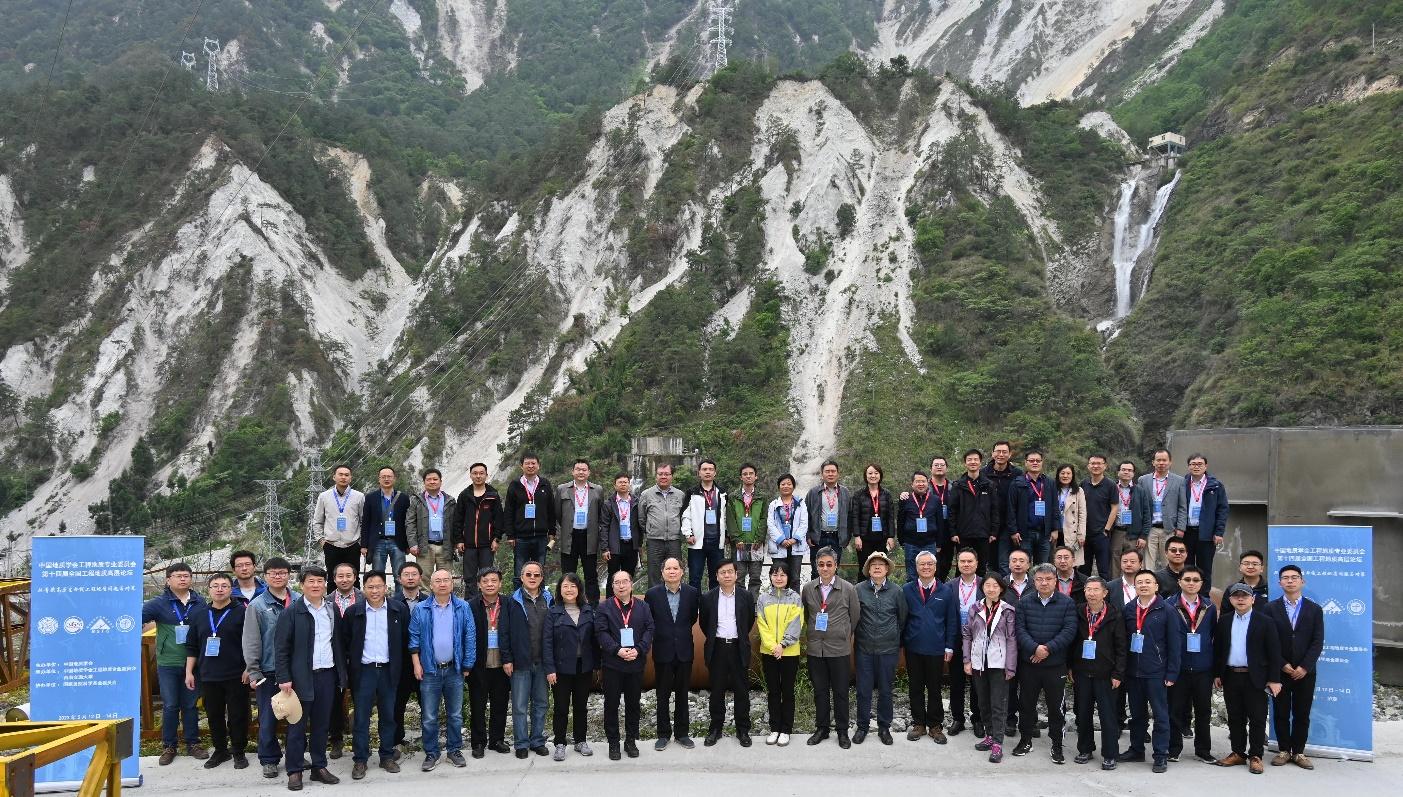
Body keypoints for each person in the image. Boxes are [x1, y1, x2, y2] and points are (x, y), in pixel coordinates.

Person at [274, 566, 347, 790]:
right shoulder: (292, 612)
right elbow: (281, 648)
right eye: (311, 581)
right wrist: (284, 677)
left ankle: (319, 766)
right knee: (296, 726)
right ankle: (295, 770)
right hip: (300, 678)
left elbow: (338, 643)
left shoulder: (331, 609)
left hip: (327, 675)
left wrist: (341, 675)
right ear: (302, 585)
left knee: (321, 725)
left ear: (325, 584)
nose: (316, 585)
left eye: (319, 581)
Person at [340, 570, 410, 780]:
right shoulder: (353, 612)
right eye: (370, 587)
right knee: (361, 718)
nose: (375, 591)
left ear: (386, 588)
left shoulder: (398, 609)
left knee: (388, 716)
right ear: (363, 589)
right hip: (364, 671)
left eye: (379, 586)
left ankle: (386, 755)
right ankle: (360, 759)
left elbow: (406, 641)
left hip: (389, 670)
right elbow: (345, 643)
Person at [409, 568, 476, 771]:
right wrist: (416, 663)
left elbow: (470, 636)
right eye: (438, 580)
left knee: (455, 714)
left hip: (454, 670)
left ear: (452, 584)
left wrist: (467, 664)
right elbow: (413, 638)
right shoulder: (421, 608)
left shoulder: (462, 607)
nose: (442, 583)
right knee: (429, 716)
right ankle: (432, 752)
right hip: (429, 670)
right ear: (431, 585)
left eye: (446, 580)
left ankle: (454, 750)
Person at [142, 562, 208, 765]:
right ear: (168, 580)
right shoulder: (158, 603)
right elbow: (135, 619)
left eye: (186, 576)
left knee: (190, 705)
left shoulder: (200, 602)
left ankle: (193, 743)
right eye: (178, 576)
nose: (183, 579)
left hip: (193, 663)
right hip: (168, 663)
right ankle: (169, 746)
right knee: (170, 705)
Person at [1214, 582, 1283, 774]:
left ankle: (1255, 755)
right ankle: (1238, 752)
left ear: (1253, 599)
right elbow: (1219, 649)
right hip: (1231, 676)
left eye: (1244, 596)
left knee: (1257, 718)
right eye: (1236, 596)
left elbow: (1274, 652)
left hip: (1256, 677)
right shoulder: (1224, 621)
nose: (1240, 599)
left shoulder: (1265, 621)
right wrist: (1217, 673)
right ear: (1230, 600)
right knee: (1235, 717)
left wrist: (1274, 679)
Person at [1012, 563, 1078, 764]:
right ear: (1034, 581)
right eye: (1040, 579)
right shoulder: (1024, 602)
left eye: (1048, 579)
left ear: (1055, 580)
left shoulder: (1067, 603)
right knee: (1026, 705)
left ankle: (1057, 744)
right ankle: (1025, 740)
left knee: (1056, 708)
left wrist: (1047, 649)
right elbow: (1019, 629)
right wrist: (1034, 649)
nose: (1044, 583)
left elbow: (1069, 630)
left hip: (1055, 665)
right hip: (1029, 664)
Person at [1118, 570, 1181, 773]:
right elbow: (1122, 642)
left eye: (1148, 582)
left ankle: (1160, 755)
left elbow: (1175, 644)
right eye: (1140, 582)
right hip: (1133, 672)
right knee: (1137, 715)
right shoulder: (1128, 609)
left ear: (1156, 586)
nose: (1143, 585)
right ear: (1134, 586)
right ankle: (1136, 750)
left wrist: (1172, 673)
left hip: (1157, 672)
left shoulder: (1167, 610)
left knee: (1161, 716)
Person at [242, 556, 299, 778]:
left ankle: (295, 754)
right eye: (273, 573)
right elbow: (251, 641)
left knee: (296, 715)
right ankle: (269, 758)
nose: (278, 576)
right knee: (267, 717)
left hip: (296, 669)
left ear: (289, 575)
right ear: (265, 576)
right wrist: (253, 671)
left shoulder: (298, 600)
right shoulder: (257, 605)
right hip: (268, 669)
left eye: (282, 572)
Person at [184, 573, 248, 769]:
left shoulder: (242, 612)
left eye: (224, 586)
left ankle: (238, 751)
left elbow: (251, 643)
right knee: (214, 715)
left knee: (238, 715)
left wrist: (249, 668)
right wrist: (189, 672)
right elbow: (192, 646)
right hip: (209, 674)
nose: (220, 589)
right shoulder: (199, 614)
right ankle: (221, 750)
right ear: (209, 589)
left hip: (237, 674)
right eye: (215, 585)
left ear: (231, 589)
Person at [1266, 564, 1325, 770]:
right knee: (1280, 712)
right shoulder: (1270, 608)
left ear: (1302, 581)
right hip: (1280, 671)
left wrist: (1305, 667)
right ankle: (1283, 750)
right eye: (1285, 578)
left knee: (1302, 713)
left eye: (1294, 577)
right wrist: (1282, 664)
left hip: (1305, 673)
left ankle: (1299, 752)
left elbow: (1317, 641)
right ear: (1279, 582)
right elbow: (1268, 641)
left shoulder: (1314, 609)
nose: (1290, 581)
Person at [801, 546, 860, 747]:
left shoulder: (848, 589)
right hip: (816, 649)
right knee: (820, 691)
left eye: (829, 564)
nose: (825, 568)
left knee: (841, 692)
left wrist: (842, 634)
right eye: (821, 564)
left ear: (836, 566)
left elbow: (855, 617)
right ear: (816, 566)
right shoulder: (808, 588)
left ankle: (842, 731)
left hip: (839, 649)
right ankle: (822, 729)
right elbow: (806, 615)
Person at [596, 570, 654, 759]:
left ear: (631, 584)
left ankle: (630, 740)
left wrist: (639, 649)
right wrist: (617, 650)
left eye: (625, 582)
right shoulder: (604, 607)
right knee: (611, 704)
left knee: (633, 704)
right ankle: (613, 743)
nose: (621, 586)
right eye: (617, 582)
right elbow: (601, 632)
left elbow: (649, 629)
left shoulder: (643, 606)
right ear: (612, 586)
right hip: (613, 664)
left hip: (635, 664)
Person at [643, 557, 699, 750]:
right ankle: (663, 734)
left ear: (682, 571)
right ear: (662, 572)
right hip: (662, 650)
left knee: (683, 694)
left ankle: (682, 734)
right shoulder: (652, 594)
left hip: (684, 650)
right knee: (662, 694)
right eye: (668, 568)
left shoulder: (692, 593)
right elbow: (650, 620)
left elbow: (692, 618)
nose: (672, 571)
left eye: (676, 568)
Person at [901, 550, 957, 744]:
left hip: (936, 647)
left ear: (935, 567)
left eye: (929, 564)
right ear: (916, 567)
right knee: (915, 687)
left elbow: (952, 621)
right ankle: (919, 723)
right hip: (913, 647)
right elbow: (902, 618)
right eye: (922, 564)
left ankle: (935, 725)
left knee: (934, 688)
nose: (926, 567)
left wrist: (949, 646)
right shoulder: (907, 590)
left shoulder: (946, 591)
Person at [700, 559, 756, 746]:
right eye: (722, 572)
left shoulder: (746, 596)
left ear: (736, 574)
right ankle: (715, 729)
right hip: (717, 648)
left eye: (730, 572)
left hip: (738, 647)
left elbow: (748, 622)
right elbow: (705, 624)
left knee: (742, 690)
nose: (727, 575)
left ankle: (743, 730)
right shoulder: (708, 597)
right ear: (717, 576)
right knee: (717, 690)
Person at [543, 573, 599, 761]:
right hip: (560, 669)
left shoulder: (588, 611)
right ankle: (560, 743)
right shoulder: (553, 612)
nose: (569, 590)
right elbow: (547, 643)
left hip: (584, 667)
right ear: (559, 589)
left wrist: (597, 666)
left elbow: (594, 640)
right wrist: (550, 669)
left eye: (573, 586)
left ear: (579, 589)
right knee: (561, 707)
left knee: (581, 706)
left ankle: (580, 740)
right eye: (565, 586)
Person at [853, 551, 907, 745]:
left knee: (885, 690)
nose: (877, 567)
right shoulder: (858, 589)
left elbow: (902, 618)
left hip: (888, 649)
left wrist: (893, 638)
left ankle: (884, 727)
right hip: (864, 648)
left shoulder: (896, 591)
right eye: (873, 564)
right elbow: (854, 616)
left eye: (881, 564)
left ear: (887, 569)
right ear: (868, 569)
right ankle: (862, 727)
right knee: (863, 690)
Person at [963, 573, 1018, 763]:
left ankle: (998, 743)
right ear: (983, 588)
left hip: (998, 664)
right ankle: (989, 735)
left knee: (998, 704)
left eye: (995, 585)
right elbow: (967, 635)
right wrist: (967, 660)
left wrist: (1010, 666)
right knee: (983, 703)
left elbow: (1012, 639)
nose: (991, 589)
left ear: (1001, 589)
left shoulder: (1007, 610)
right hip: (979, 662)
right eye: (988, 585)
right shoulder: (974, 608)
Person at [1071, 576, 1124, 770]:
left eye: (1096, 589)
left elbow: (1121, 647)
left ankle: (1110, 754)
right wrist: (1070, 666)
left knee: (1108, 716)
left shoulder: (1115, 614)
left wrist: (1118, 673)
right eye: (1088, 589)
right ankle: (1085, 749)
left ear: (1105, 592)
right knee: (1083, 714)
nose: (1091, 593)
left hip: (1106, 674)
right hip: (1082, 672)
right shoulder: (1078, 612)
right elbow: (1072, 642)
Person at [1168, 565, 1218, 764]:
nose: (1191, 583)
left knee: (1203, 711)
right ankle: (1173, 748)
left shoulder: (1209, 606)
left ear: (1201, 583)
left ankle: (1203, 750)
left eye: (1195, 580)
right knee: (1174, 710)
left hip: (1203, 668)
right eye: (1187, 579)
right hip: (1178, 667)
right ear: (1179, 582)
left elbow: (1213, 634)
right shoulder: (1169, 605)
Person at [504, 560, 552, 758]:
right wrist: (507, 658)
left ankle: (537, 741)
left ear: (541, 578)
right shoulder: (512, 601)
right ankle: (521, 743)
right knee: (519, 706)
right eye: (528, 574)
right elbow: (504, 632)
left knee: (541, 704)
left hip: (543, 663)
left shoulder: (549, 599)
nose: (532, 578)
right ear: (521, 577)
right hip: (520, 663)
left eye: (536, 575)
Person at [466, 567, 512, 758]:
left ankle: (497, 740)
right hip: (479, 665)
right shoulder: (470, 606)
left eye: (494, 580)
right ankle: (478, 742)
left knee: (500, 704)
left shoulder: (509, 604)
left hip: (502, 664)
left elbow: (514, 633)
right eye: (485, 581)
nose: (490, 584)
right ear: (479, 584)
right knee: (477, 706)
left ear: (500, 583)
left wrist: (510, 659)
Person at [756, 564, 803, 746]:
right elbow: (762, 624)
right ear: (770, 576)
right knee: (773, 691)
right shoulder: (763, 598)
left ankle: (786, 730)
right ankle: (774, 728)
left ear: (788, 577)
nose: (779, 578)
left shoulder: (795, 598)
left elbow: (796, 622)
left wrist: (783, 644)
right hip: (769, 652)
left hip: (789, 652)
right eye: (775, 574)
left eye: (783, 575)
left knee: (788, 691)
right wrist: (773, 646)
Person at [390, 562, 429, 754]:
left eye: (414, 574)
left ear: (420, 578)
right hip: (401, 662)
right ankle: (397, 740)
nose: (411, 577)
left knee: (427, 703)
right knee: (398, 704)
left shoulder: (429, 601)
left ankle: (429, 740)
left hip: (426, 660)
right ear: (399, 579)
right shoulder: (391, 603)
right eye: (406, 574)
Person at [503, 453, 556, 590]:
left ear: (538, 466)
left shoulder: (545, 484)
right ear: (521, 466)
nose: (530, 466)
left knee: (539, 572)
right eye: (527, 463)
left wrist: (552, 532)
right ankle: (518, 599)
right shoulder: (515, 485)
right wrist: (510, 535)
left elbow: (551, 509)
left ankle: (540, 599)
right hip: (521, 537)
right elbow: (509, 511)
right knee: (519, 572)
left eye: (533, 463)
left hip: (541, 537)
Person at [947, 548, 985, 737]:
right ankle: (958, 719)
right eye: (962, 561)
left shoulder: (985, 584)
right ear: (957, 564)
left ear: (977, 563)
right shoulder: (950, 586)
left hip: (979, 640)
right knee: (956, 682)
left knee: (978, 682)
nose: (966, 564)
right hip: (956, 639)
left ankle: (978, 719)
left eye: (970, 561)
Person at [327, 562, 362, 758]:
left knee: (361, 699)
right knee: (334, 701)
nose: (344, 579)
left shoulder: (365, 598)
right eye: (340, 576)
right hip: (333, 657)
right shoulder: (326, 601)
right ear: (334, 579)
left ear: (355, 577)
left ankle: (359, 740)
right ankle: (336, 740)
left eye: (349, 575)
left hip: (360, 657)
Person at [557, 459, 603, 605]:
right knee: (568, 574)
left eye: (584, 470)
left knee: (591, 573)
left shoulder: (597, 490)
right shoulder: (562, 489)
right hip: (569, 537)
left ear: (589, 472)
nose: (581, 472)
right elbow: (557, 513)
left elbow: (600, 514)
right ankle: (566, 604)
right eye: (578, 469)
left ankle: (593, 605)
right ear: (573, 472)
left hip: (589, 537)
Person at [453, 462, 501, 598]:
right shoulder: (464, 495)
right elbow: (457, 519)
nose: (478, 476)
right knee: (469, 578)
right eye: (475, 473)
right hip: (468, 545)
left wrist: (496, 538)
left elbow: (498, 519)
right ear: (470, 475)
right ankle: (470, 604)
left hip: (487, 545)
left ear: (486, 475)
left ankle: (486, 603)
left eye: (481, 473)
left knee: (486, 577)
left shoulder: (493, 495)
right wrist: (459, 540)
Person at [948, 449, 998, 577]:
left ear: (980, 462)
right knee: (962, 567)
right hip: (963, 534)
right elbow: (952, 510)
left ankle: (980, 590)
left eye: (976, 459)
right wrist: (953, 532)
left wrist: (993, 532)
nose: (973, 462)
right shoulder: (958, 485)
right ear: (965, 463)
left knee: (981, 568)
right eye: (969, 460)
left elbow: (994, 509)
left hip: (983, 534)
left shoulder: (989, 485)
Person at [314, 464, 365, 585]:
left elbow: (363, 521)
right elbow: (317, 521)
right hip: (331, 545)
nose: (343, 477)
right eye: (340, 474)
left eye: (346, 475)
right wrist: (321, 540)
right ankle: (332, 599)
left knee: (354, 579)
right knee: (332, 579)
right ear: (334, 477)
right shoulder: (324, 496)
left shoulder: (359, 496)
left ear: (350, 478)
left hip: (352, 545)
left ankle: (355, 599)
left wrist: (361, 542)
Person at [1182, 454, 1229, 584]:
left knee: (1205, 569)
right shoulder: (1182, 483)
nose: (1196, 467)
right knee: (1186, 567)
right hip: (1186, 532)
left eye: (1199, 464)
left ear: (1206, 466)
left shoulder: (1216, 485)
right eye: (1193, 464)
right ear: (1188, 466)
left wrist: (1219, 532)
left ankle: (1204, 595)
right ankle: (1186, 593)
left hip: (1207, 533)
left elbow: (1223, 510)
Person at [682, 459, 728, 591]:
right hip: (697, 541)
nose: (708, 472)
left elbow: (726, 516)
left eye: (711, 469)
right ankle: (695, 603)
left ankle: (712, 603)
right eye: (704, 469)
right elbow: (685, 515)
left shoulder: (722, 492)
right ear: (699, 473)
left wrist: (727, 535)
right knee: (695, 577)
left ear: (715, 473)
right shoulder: (692, 492)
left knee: (716, 577)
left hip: (717, 541)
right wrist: (688, 534)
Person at [1136, 450, 1185, 573]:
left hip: (1169, 529)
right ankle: (1148, 584)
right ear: (1153, 462)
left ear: (1170, 462)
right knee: (1148, 565)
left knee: (1168, 564)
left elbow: (1182, 506)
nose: (1161, 463)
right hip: (1149, 529)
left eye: (1164, 460)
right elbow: (1139, 505)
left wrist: (1181, 528)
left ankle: (1169, 585)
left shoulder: (1179, 481)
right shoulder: (1143, 480)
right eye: (1158, 460)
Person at [638, 463, 686, 587]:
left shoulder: (680, 495)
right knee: (654, 575)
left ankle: (675, 598)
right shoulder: (646, 494)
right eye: (660, 474)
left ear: (672, 476)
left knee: (675, 573)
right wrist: (651, 530)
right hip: (654, 541)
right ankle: (654, 600)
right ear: (656, 476)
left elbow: (684, 517)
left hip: (674, 541)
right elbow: (641, 518)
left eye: (666, 474)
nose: (663, 477)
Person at [1006, 450, 1055, 568]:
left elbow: (1055, 506)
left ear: (1042, 462)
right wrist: (1013, 531)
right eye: (1031, 460)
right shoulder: (1017, 483)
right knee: (1023, 566)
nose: (1035, 463)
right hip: (1024, 533)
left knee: (1043, 567)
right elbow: (1011, 508)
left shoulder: (1049, 482)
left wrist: (1055, 529)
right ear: (1026, 463)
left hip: (1044, 533)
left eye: (1038, 461)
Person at [362, 466, 412, 582]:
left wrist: (408, 544)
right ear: (379, 479)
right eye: (383, 477)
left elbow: (408, 522)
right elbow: (366, 522)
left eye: (389, 476)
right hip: (378, 542)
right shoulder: (370, 497)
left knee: (400, 576)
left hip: (398, 542)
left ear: (394, 478)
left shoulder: (403, 498)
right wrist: (364, 545)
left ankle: (399, 595)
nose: (386, 479)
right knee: (378, 576)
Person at [804, 460, 852, 579]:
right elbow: (806, 515)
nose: (830, 474)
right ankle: (816, 592)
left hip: (837, 537)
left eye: (833, 471)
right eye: (827, 471)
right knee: (816, 571)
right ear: (822, 474)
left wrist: (847, 537)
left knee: (833, 571)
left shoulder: (845, 492)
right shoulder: (813, 492)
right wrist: (808, 535)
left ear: (838, 473)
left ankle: (832, 592)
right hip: (818, 537)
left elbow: (850, 515)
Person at [408, 468, 457, 581]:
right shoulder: (416, 500)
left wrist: (456, 542)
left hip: (445, 546)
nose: (432, 482)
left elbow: (456, 523)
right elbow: (410, 523)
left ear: (440, 481)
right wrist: (412, 544)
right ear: (424, 482)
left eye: (435, 479)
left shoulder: (450, 501)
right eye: (429, 479)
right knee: (424, 579)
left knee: (445, 579)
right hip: (424, 546)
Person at [730, 463, 768, 599]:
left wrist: (760, 538)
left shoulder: (762, 497)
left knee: (755, 578)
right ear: (740, 477)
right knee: (738, 578)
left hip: (756, 544)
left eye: (751, 473)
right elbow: (731, 519)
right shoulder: (733, 497)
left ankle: (753, 606)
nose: (748, 476)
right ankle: (740, 605)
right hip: (739, 545)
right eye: (745, 474)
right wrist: (737, 539)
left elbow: (764, 518)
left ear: (756, 476)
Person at [850, 463, 896, 574]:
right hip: (864, 539)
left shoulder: (886, 494)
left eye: (876, 473)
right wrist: (857, 536)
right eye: (870, 473)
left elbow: (890, 517)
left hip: (882, 538)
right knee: (864, 569)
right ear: (865, 476)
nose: (873, 476)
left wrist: (891, 536)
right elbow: (855, 516)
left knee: (881, 568)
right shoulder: (859, 494)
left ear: (880, 475)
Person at [898, 470, 942, 584]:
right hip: (911, 543)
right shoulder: (905, 499)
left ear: (927, 483)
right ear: (912, 484)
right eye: (917, 481)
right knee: (911, 575)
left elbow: (940, 522)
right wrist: (902, 541)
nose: (921, 484)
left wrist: (939, 543)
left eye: (923, 481)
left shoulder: (935, 500)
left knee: (929, 574)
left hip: (930, 543)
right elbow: (900, 521)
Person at [766, 473, 808, 587]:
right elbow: (770, 524)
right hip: (779, 545)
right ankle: (777, 599)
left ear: (793, 486)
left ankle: (795, 599)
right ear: (779, 486)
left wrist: (795, 539)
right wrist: (781, 540)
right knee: (778, 578)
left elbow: (804, 523)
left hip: (796, 545)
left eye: (789, 484)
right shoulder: (773, 504)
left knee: (795, 578)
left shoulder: (801, 503)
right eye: (783, 484)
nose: (786, 486)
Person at [1080, 455, 1118, 577]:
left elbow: (1115, 507)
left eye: (1099, 463)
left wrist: (1106, 529)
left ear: (1105, 466)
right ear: (1088, 466)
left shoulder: (1111, 485)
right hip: (1085, 534)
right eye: (1092, 463)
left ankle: (1105, 590)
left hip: (1102, 534)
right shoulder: (1084, 484)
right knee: (1083, 569)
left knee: (1104, 570)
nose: (1095, 466)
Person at [598, 473, 640, 581]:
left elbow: (640, 524)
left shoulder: (636, 502)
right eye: (620, 482)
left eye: (625, 482)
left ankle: (628, 593)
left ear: (629, 484)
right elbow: (604, 527)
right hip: (614, 546)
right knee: (613, 577)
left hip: (631, 545)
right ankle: (611, 593)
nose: (623, 484)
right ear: (615, 485)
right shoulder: (608, 504)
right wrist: (605, 548)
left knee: (629, 576)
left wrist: (639, 544)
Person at [982, 441, 1022, 542]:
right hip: (987, 525)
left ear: (1010, 454)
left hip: (1009, 525)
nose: (1001, 454)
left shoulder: (1017, 474)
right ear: (992, 453)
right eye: (998, 451)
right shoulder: (983, 474)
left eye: (1004, 452)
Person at [1111, 462, 1141, 577]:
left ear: (1133, 473)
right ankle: (1115, 584)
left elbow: (1146, 513)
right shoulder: (1112, 488)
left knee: (1132, 561)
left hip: (1133, 533)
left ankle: (1133, 585)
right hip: (1116, 531)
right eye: (1123, 469)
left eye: (1129, 470)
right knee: (1115, 560)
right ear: (1118, 472)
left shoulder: (1140, 490)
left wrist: (1143, 535)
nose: (1126, 472)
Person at [1054, 464, 1086, 563]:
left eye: (1068, 473)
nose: (1065, 476)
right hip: (1055, 530)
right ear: (1058, 475)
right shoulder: (1052, 489)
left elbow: (1082, 514)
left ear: (1072, 475)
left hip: (1071, 531)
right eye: (1062, 473)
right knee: (1055, 561)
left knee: (1070, 561)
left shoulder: (1078, 491)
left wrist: (1081, 534)